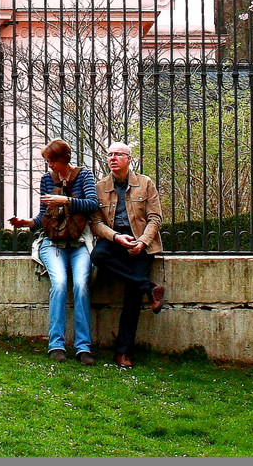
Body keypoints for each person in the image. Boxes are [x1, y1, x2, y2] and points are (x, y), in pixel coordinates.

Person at [9, 139, 100, 364]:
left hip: (79, 241)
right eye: (47, 161)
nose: (49, 166)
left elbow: (92, 204)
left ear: (64, 159)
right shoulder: (47, 180)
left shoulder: (84, 175)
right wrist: (27, 222)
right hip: (53, 243)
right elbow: (44, 217)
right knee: (58, 284)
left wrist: (66, 200)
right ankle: (56, 344)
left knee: (80, 285)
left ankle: (83, 347)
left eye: (52, 161)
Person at [89, 141, 166, 369]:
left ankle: (123, 353)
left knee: (132, 296)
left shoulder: (145, 183)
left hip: (140, 240)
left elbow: (156, 219)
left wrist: (142, 242)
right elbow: (95, 222)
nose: (112, 158)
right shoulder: (100, 186)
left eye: (118, 155)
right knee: (97, 256)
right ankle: (150, 288)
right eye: (109, 155)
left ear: (128, 159)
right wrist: (115, 237)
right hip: (114, 240)